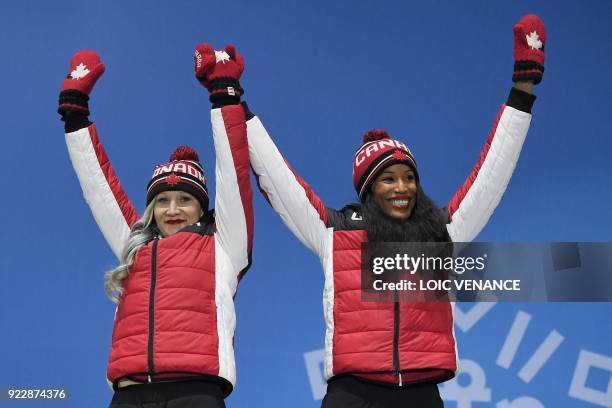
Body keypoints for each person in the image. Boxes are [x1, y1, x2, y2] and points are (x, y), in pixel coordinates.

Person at [207, 14, 546, 407]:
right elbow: (278, 178)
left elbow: (492, 174)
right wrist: (233, 101)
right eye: (387, 179)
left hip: (420, 393)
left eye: (408, 177)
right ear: (368, 190)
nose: (401, 187)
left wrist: (522, 89)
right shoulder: (334, 233)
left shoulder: (440, 235)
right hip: (352, 393)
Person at [59, 47, 253, 407]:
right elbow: (99, 187)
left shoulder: (224, 246)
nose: (172, 209)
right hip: (129, 395)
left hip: (195, 393)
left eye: (185, 200)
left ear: (202, 208)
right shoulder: (135, 246)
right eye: (161, 201)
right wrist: (75, 114)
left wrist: (224, 96)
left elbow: (233, 175)